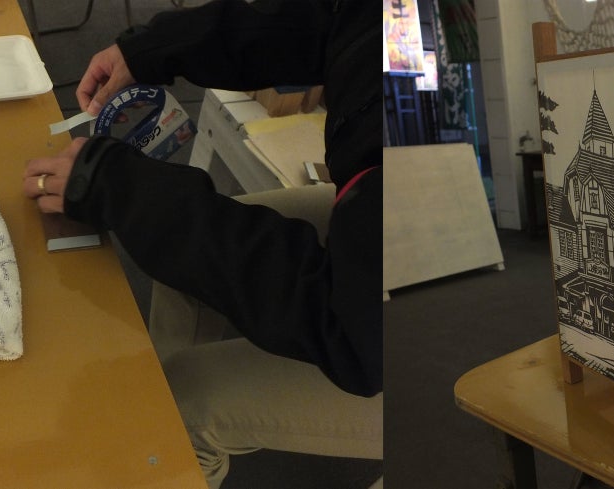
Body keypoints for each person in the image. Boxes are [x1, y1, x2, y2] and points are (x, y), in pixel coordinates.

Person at [20, 1, 381, 487]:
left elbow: (354, 335)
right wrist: (157, 47)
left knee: (185, 407)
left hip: (403, 336)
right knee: (184, 282)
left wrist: (123, 190)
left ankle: (174, 445)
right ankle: (154, 413)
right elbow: (334, 25)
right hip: (373, 219)